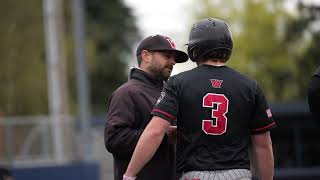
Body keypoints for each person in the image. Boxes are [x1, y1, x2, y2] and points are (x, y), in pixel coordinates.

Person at [123, 18, 276, 180]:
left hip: (196, 175)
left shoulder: (178, 83)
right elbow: (263, 145)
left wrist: (129, 175)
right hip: (239, 175)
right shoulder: (250, 86)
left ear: (195, 48)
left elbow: (154, 132)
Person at [105, 34, 188, 180]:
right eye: (167, 56)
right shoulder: (126, 93)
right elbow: (114, 139)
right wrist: (161, 135)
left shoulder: (170, 93)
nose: (173, 62)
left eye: (174, 58)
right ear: (146, 56)